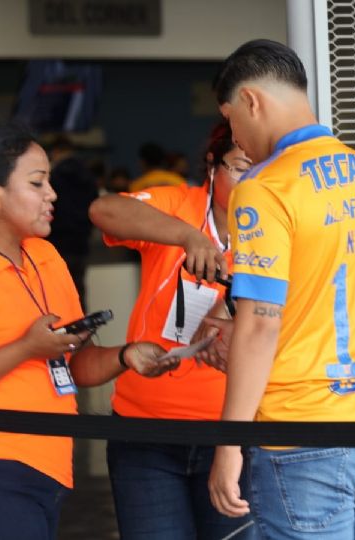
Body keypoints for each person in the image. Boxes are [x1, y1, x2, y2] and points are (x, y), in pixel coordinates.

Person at [0, 125, 180, 540]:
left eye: (49, 181)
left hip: (44, 470)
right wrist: (25, 347)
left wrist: (126, 356)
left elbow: (73, 365)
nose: (52, 194)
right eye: (37, 183)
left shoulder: (44, 256)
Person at [207, 39, 355, 539]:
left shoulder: (265, 187)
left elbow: (259, 322)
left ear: (252, 102)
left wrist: (228, 443)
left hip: (304, 434)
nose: (234, 132)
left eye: (231, 118)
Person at [88, 120, 255, 539]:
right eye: (239, 167)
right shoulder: (179, 204)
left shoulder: (274, 225)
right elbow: (104, 211)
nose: (249, 182)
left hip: (234, 429)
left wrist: (230, 314)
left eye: (260, 170)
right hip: (146, 428)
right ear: (212, 166)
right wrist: (187, 237)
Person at [44, 138, 99, 305]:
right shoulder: (87, 174)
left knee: (57, 290)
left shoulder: (55, 175)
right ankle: (83, 325)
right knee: (78, 287)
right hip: (81, 239)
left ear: (56, 151)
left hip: (58, 238)